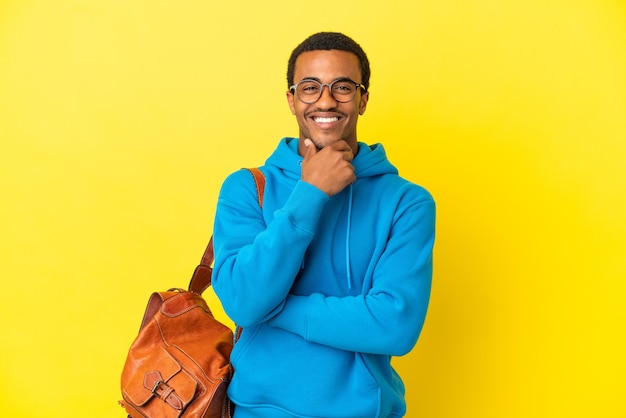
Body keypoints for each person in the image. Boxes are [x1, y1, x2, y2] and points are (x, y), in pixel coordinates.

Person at [212, 32, 436, 418]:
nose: (326, 100)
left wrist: (272, 309)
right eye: (310, 87)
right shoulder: (247, 188)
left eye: (343, 87)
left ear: (363, 99)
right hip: (256, 411)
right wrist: (310, 193)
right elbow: (243, 300)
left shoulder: (407, 202)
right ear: (291, 99)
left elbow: (394, 326)